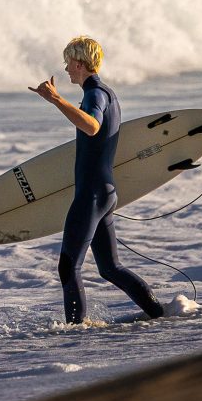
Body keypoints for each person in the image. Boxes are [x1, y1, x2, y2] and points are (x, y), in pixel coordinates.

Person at [29, 36, 165, 324]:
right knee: (110, 268)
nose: (66, 69)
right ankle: (160, 315)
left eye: (68, 63)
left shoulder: (95, 94)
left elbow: (91, 126)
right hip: (103, 192)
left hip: (92, 194)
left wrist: (56, 100)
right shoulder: (105, 93)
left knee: (68, 267)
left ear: (80, 63)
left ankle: (75, 331)